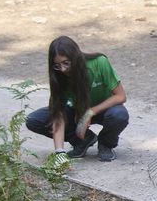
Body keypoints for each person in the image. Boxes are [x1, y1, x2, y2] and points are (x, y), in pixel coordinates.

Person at [26, 36, 128, 165]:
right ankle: (83, 141)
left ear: (75, 58)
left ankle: (105, 144)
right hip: (76, 112)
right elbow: (58, 114)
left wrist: (90, 112)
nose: (62, 69)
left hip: (104, 109)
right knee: (34, 120)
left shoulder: (99, 62)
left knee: (119, 115)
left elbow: (120, 96)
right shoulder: (59, 76)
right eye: (57, 65)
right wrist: (59, 152)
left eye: (66, 63)